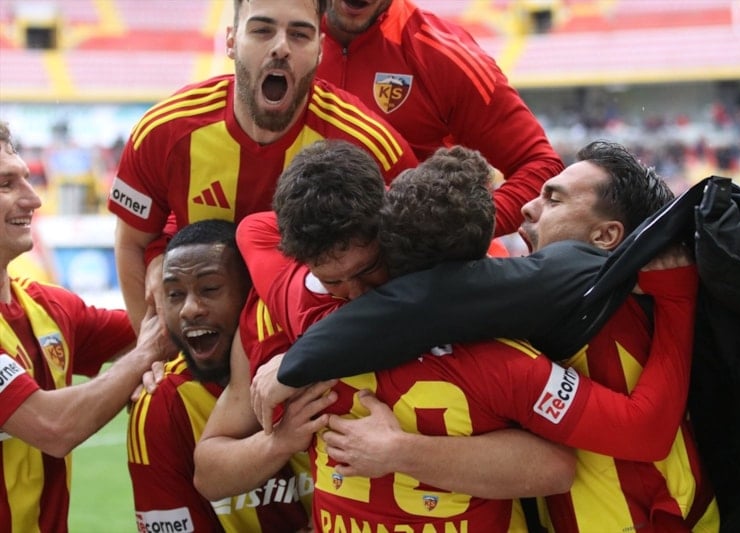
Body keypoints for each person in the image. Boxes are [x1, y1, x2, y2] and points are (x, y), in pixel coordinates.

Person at [249, 141, 719, 531]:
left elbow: (604, 448)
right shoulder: (504, 336)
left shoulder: (526, 328)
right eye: (331, 280)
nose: (527, 206)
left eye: (553, 199)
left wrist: (398, 449)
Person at [194, 141, 577, 525]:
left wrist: (403, 452)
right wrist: (276, 443)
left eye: (368, 269)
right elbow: (209, 474)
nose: (356, 294)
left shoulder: (472, 288)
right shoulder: (272, 315)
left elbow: (556, 466)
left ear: (390, 227)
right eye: (332, 281)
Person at [107, 0, 419, 330]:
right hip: (205, 338)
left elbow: (417, 251)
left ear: (319, 50)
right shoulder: (164, 131)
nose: (281, 47)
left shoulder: (369, 142)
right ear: (231, 41)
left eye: (299, 35)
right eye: (261, 30)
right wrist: (156, 347)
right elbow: (132, 242)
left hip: (317, 342)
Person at [0, 123, 170, 532]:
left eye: (27, 178)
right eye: (6, 184)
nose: (33, 198)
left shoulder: (49, 306)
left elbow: (160, 332)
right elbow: (54, 426)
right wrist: (145, 358)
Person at [127, 219, 319, 532]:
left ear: (254, 293)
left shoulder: (313, 356)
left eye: (210, 289)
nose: (189, 309)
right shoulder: (163, 401)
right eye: (174, 294)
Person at [318, 0, 564, 236]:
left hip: (410, 257)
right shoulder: (295, 42)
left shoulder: (443, 54)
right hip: (304, 247)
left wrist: (463, 230)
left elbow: (541, 165)